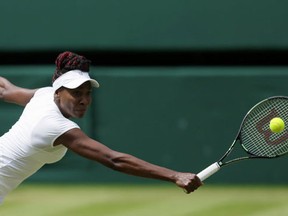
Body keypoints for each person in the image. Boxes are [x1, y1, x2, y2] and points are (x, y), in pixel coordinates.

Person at [0, 51, 202, 204]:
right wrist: (175, 175)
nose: (84, 100)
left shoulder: (44, 94)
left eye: (87, 93)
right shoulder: (54, 125)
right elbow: (113, 159)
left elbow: (5, 90)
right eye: (76, 93)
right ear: (58, 92)